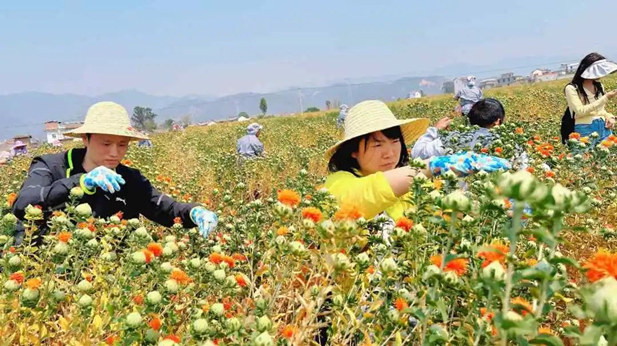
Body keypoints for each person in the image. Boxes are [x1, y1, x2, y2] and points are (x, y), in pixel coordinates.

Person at [11, 101, 218, 245]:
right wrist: (79, 183)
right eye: (106, 143)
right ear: (85, 139)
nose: (114, 152)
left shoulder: (130, 179)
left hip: (109, 279)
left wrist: (194, 212)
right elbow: (23, 204)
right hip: (50, 274)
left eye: (122, 144)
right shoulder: (50, 166)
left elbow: (165, 209)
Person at [324, 100, 510, 220]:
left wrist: (502, 209)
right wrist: (435, 165)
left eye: (395, 141)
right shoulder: (339, 182)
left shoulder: (413, 187)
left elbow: (447, 207)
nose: (389, 153)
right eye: (377, 145)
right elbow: (365, 194)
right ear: (353, 151)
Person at [411, 98, 528, 169]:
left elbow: (418, 154)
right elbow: (524, 169)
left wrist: (435, 130)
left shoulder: (454, 139)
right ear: (497, 121)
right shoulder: (510, 143)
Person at [565, 53, 617, 142]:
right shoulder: (571, 88)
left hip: (604, 128)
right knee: (586, 155)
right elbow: (580, 112)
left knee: (610, 155)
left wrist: (610, 117)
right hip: (585, 129)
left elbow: (600, 111)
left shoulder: (599, 86)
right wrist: (606, 97)